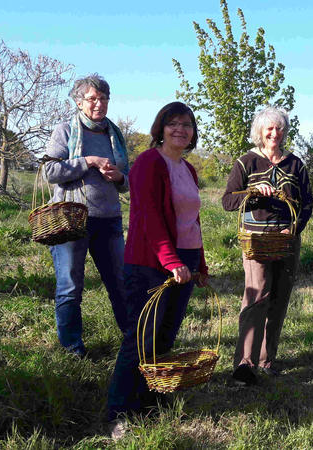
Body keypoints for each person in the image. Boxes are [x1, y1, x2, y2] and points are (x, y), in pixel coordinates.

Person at [106, 101, 208, 439]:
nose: (180, 129)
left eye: (187, 124)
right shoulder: (149, 163)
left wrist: (200, 263)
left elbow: (192, 221)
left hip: (185, 260)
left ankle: (150, 401)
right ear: (160, 128)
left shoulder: (189, 169)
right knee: (140, 338)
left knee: (165, 337)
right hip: (151, 263)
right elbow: (149, 219)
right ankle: (119, 411)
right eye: (173, 123)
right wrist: (171, 261)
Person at [221, 106, 313, 386]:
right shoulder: (246, 162)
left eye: (279, 128)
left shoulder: (296, 165)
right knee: (257, 296)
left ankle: (267, 359)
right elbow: (227, 201)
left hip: (286, 240)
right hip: (256, 241)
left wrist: (292, 228)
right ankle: (245, 364)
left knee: (280, 298)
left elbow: (307, 204)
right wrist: (251, 193)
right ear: (260, 131)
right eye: (269, 128)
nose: (275, 133)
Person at [44, 74, 129, 358]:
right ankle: (72, 349)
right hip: (71, 220)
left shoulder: (114, 134)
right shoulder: (65, 130)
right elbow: (51, 172)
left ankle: (133, 341)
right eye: (92, 98)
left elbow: (127, 181)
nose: (99, 104)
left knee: (120, 283)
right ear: (79, 102)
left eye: (104, 98)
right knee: (70, 286)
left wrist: (118, 177)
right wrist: (88, 162)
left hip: (108, 219)